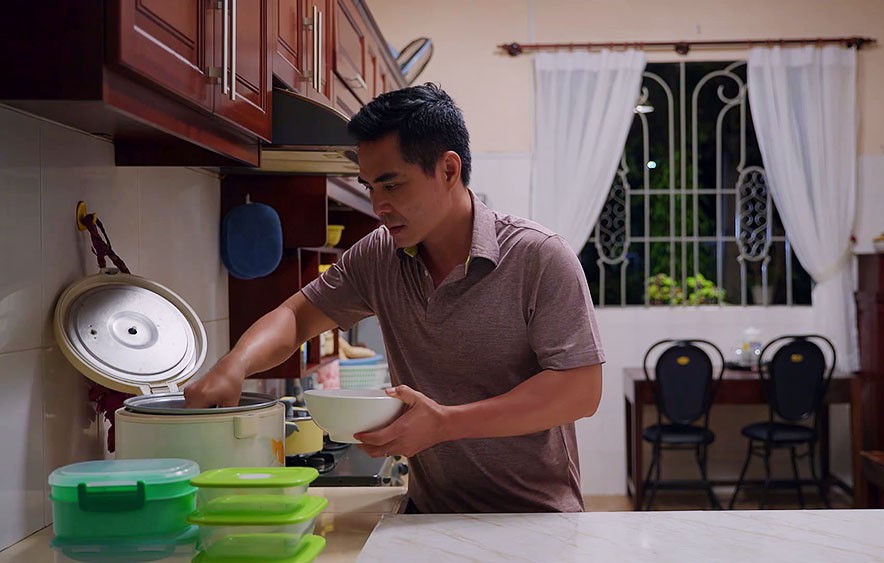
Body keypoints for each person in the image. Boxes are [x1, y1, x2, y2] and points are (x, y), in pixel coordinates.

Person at [184, 83, 605, 513]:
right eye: (369, 187)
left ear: (448, 170)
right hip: (428, 514)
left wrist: (446, 424)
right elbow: (297, 317)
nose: (378, 206)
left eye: (393, 185)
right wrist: (235, 364)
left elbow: (580, 390)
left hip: (536, 516)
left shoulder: (538, 257)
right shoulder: (379, 255)